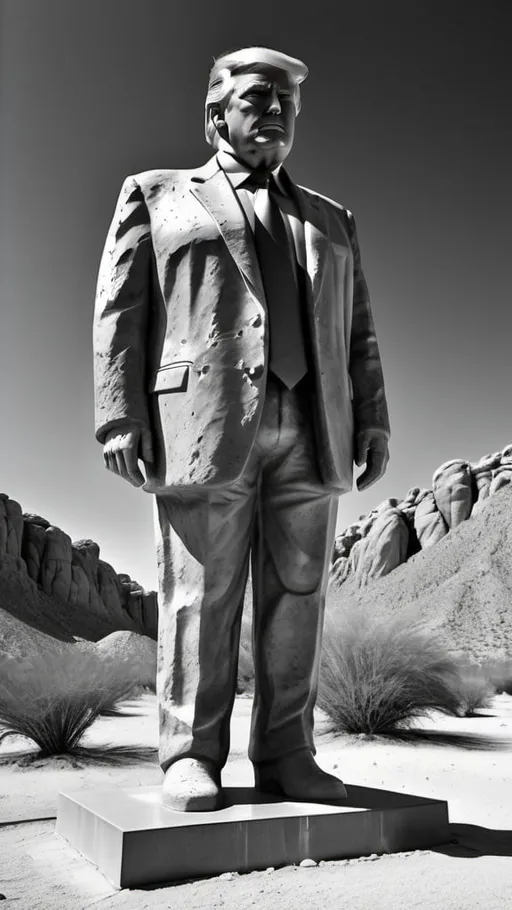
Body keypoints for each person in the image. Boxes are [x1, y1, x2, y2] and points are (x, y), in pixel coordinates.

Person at [93, 46, 390, 811]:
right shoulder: (158, 195)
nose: (277, 113)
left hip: (314, 421)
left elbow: (359, 333)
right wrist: (118, 414)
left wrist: (374, 420)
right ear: (214, 112)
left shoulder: (332, 218)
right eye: (259, 97)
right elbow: (120, 313)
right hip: (202, 420)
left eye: (289, 102)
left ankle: (289, 754)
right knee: (200, 592)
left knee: (301, 592)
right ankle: (189, 754)